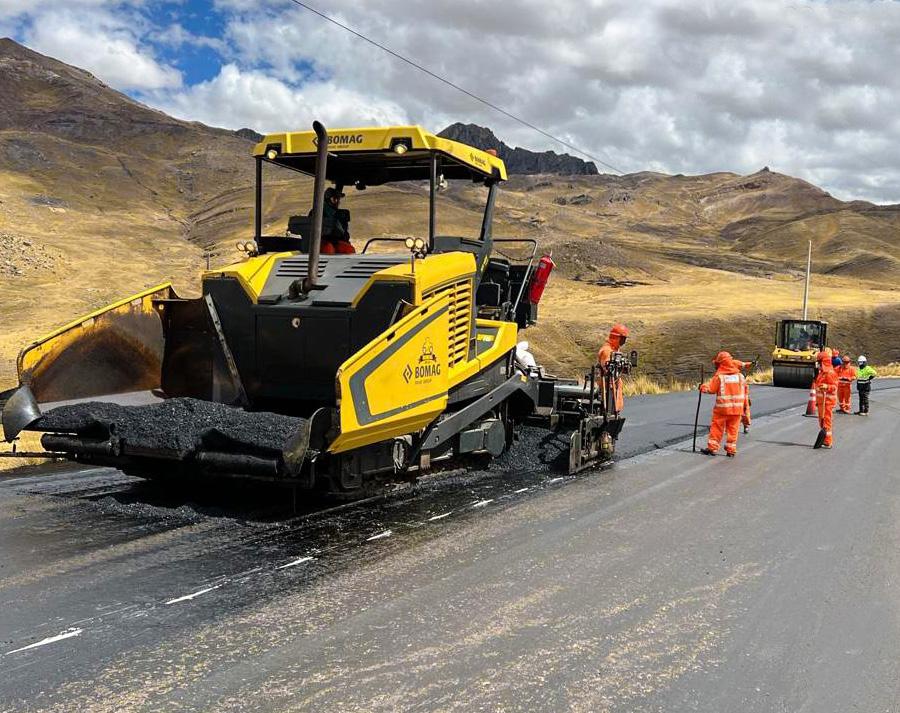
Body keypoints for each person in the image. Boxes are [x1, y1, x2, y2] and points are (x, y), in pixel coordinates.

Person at [699, 351, 747, 458]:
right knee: (733, 429)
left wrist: (702, 387)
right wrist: (745, 407)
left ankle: (712, 448)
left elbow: (711, 389)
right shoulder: (740, 376)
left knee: (717, 427)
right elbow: (745, 392)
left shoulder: (720, 377)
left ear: (720, 364)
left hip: (722, 409)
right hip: (737, 410)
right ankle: (731, 450)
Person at [597, 324, 629, 413]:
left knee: (613, 410)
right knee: (608, 411)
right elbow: (608, 368)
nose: (624, 342)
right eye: (622, 339)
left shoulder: (614, 350)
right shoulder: (607, 350)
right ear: (616, 338)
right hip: (608, 388)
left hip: (613, 387)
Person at [314, 187, 355, 255]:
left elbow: (344, 232)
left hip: (333, 241)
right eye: (335, 199)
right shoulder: (318, 212)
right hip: (323, 241)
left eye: (338, 199)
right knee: (330, 248)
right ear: (328, 199)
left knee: (348, 249)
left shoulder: (340, 214)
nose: (338, 202)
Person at [813, 348, 838, 448]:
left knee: (826, 422)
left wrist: (827, 387)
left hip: (827, 402)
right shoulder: (822, 373)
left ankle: (828, 442)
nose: (817, 364)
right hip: (821, 402)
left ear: (823, 362)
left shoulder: (830, 373)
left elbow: (834, 387)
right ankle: (824, 439)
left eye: (819, 362)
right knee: (822, 422)